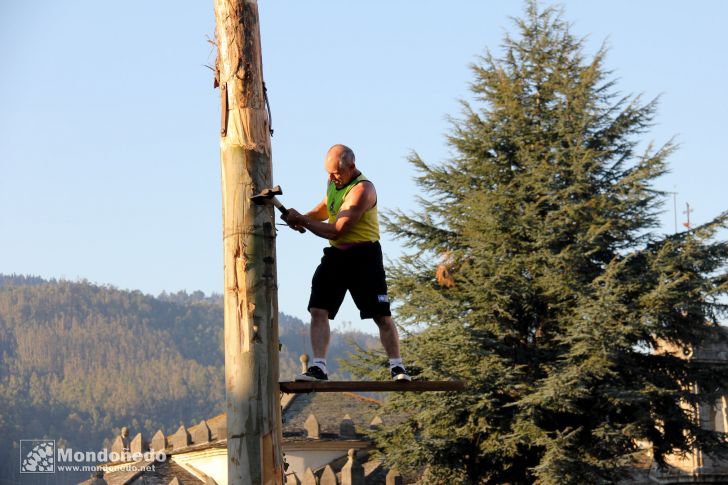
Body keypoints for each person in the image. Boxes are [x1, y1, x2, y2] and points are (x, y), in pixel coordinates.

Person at [281, 144, 411, 382]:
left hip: (365, 257)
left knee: (381, 315)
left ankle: (397, 367)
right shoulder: (334, 180)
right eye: (328, 173)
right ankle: (319, 366)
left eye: (337, 173)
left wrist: (304, 222)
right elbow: (326, 207)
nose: (331, 178)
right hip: (337, 256)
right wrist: (304, 217)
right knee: (319, 309)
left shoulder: (362, 190)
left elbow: (337, 230)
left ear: (352, 166)